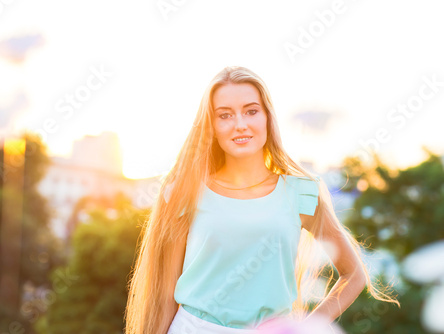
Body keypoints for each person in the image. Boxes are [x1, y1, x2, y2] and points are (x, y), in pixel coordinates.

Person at [124, 66, 399, 334]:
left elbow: (353, 275)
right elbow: (163, 295)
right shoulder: (185, 190)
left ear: (267, 117)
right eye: (225, 115)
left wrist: (303, 330)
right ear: (211, 125)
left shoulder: (300, 193)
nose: (240, 125)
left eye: (251, 111)